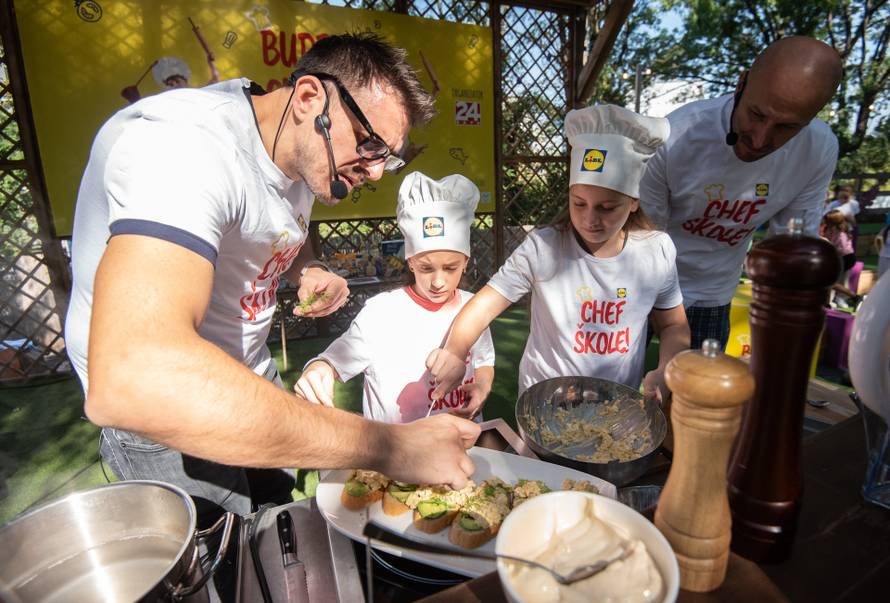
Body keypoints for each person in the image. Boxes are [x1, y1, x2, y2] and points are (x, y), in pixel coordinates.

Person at [65, 33, 480, 527]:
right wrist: (387, 445)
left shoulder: (291, 138)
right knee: (223, 555)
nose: (373, 173)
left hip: (252, 370)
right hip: (171, 407)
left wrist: (310, 267)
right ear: (310, 97)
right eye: (369, 145)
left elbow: (273, 209)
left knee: (279, 527)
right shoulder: (182, 146)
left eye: (385, 159)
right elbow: (138, 376)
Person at [426, 105, 690, 404]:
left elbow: (673, 324)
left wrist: (666, 367)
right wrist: (455, 351)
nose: (590, 219)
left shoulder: (656, 251)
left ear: (632, 203)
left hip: (616, 403)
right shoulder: (544, 248)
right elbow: (486, 303)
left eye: (607, 208)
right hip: (545, 400)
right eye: (579, 203)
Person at [639, 36, 843, 350]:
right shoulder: (676, 135)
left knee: (699, 396)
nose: (761, 140)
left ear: (813, 117)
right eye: (757, 115)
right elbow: (644, 235)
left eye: (786, 127)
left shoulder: (819, 150)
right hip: (643, 283)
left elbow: (791, 244)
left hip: (713, 292)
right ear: (741, 84)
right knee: (613, 389)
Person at [295, 172, 495, 423]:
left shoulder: (473, 307)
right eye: (426, 268)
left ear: (465, 262)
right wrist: (321, 367)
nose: (438, 281)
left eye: (450, 268)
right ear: (410, 262)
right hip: (397, 451)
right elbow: (338, 357)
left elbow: (484, 361)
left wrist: (483, 387)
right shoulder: (383, 312)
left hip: (462, 442)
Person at [821, 210, 858, 307]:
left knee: (835, 281)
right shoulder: (829, 229)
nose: (825, 222)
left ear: (833, 222)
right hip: (836, 257)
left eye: (827, 220)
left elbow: (843, 248)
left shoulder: (841, 233)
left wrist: (829, 246)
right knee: (831, 280)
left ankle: (849, 297)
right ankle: (828, 302)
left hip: (845, 258)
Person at [825, 183, 861, 248]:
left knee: (849, 249)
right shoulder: (833, 204)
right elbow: (827, 216)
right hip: (836, 232)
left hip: (850, 230)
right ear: (837, 194)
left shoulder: (854, 203)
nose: (844, 193)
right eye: (842, 191)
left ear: (851, 194)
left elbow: (856, 217)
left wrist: (853, 221)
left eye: (847, 191)